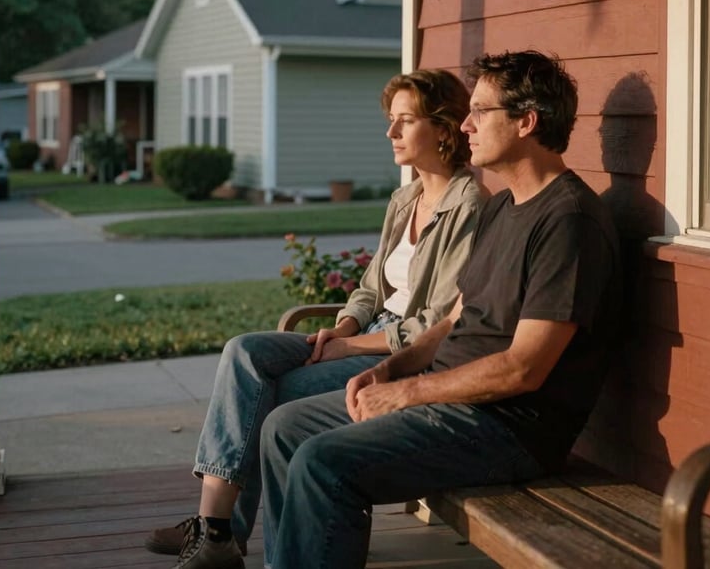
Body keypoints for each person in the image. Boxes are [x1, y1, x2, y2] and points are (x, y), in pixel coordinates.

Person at [245, 50, 623, 569]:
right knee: (284, 427)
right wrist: (388, 369)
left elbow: (524, 368)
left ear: (527, 122)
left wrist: (406, 394)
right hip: (450, 401)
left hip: (508, 427)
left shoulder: (569, 222)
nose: (465, 124)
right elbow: (453, 319)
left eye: (481, 112)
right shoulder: (502, 206)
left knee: (322, 461)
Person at [146, 68, 484, 568]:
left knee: (272, 400)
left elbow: (436, 320)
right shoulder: (404, 198)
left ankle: (221, 536)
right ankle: (215, 526)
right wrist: (345, 326)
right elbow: (372, 287)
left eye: (404, 122)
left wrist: (354, 348)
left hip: (398, 356)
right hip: (365, 335)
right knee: (245, 351)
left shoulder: (469, 205)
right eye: (391, 121)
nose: (390, 133)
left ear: (443, 128)